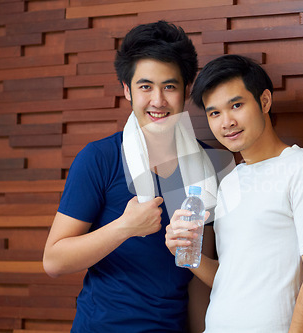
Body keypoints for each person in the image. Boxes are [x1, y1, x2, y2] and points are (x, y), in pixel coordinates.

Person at [43, 21, 231, 332]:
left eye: (169, 86)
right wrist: (125, 227)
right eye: (146, 87)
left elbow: (199, 277)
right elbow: (54, 261)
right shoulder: (100, 158)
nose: (158, 100)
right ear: (127, 90)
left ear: (186, 90)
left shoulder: (210, 165)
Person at [165, 54, 303, 332]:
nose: (226, 122)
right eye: (214, 113)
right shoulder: (231, 181)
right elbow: (231, 278)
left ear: (265, 101)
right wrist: (188, 257)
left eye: (236, 105)